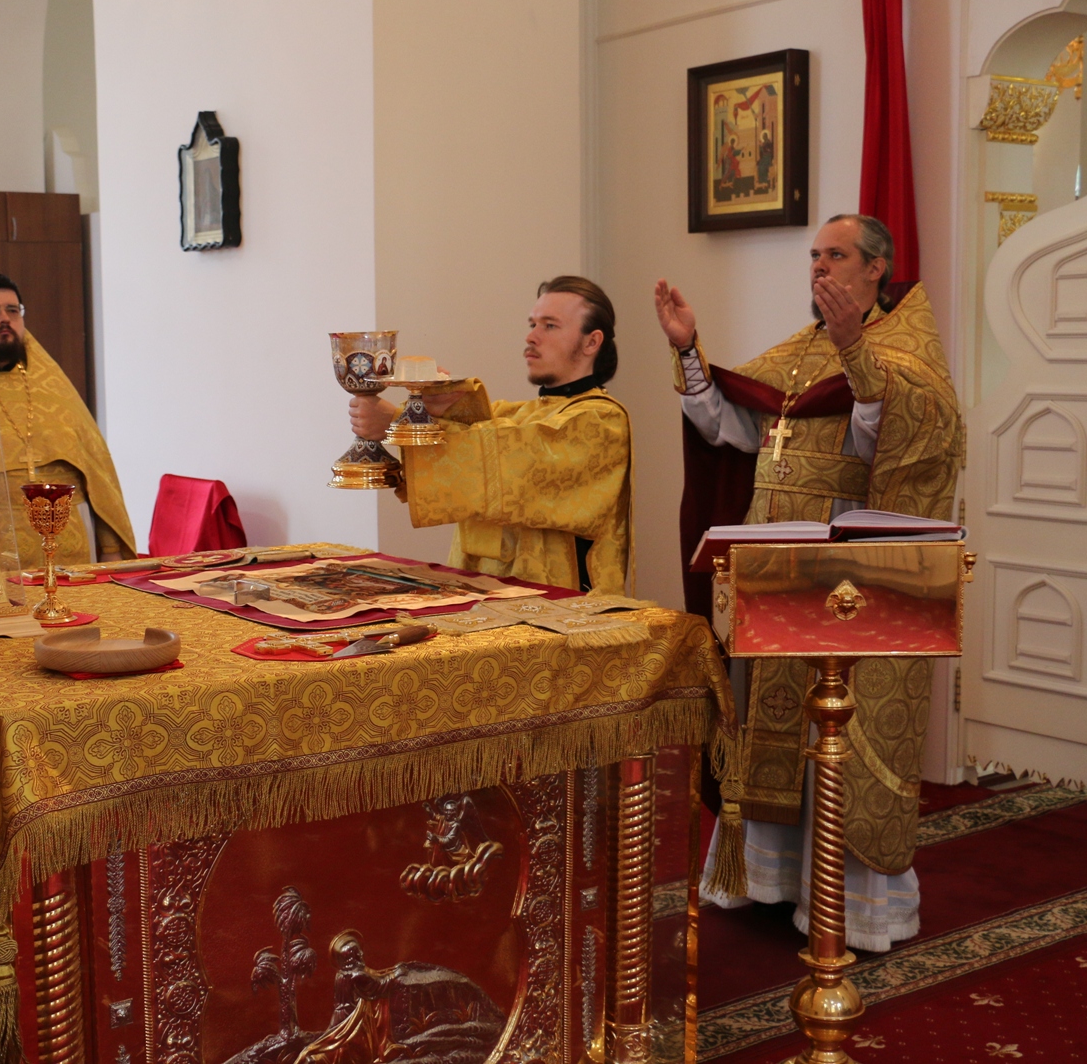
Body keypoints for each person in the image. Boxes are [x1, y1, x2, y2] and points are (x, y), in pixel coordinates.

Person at [656, 214, 963, 952]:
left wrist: (857, 349)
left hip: (843, 572)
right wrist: (690, 352)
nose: (820, 266)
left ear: (876, 268)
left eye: (837, 254)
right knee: (764, 719)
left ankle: (849, 904)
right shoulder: (796, 353)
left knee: (835, 728)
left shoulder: (903, 352)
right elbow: (729, 429)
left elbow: (895, 440)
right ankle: (768, 879)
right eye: (815, 255)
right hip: (770, 562)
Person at [347, 276, 632, 594]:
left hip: (564, 606)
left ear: (592, 342)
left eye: (550, 326)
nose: (531, 336)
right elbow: (482, 433)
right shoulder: (520, 414)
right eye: (532, 324)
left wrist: (396, 423)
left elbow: (511, 461)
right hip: (486, 594)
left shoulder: (603, 421)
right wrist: (434, 411)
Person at [0, 272, 136, 565]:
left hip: (71, 544)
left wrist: (110, 547)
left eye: (13, 310)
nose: (5, 319)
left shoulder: (53, 389)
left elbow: (96, 472)